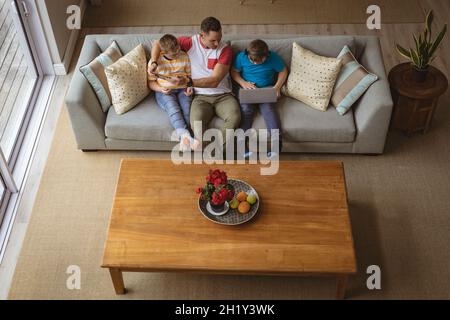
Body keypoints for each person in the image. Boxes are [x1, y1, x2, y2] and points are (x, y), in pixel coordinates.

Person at [149, 17, 241, 151]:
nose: (217, 43)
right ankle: (204, 150)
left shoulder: (225, 50)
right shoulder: (189, 43)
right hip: (200, 97)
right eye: (213, 40)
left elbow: (215, 81)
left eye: (219, 38)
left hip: (223, 95)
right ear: (202, 35)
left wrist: (187, 82)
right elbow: (157, 43)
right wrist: (154, 62)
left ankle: (214, 149)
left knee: (235, 116)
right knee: (196, 126)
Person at [231, 39, 288, 158]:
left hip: (266, 89)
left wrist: (277, 87)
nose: (256, 63)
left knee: (268, 109)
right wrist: (243, 83)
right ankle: (242, 145)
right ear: (248, 55)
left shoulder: (273, 58)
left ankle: (276, 144)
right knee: (246, 110)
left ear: (266, 55)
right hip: (248, 88)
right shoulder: (242, 57)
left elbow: (283, 71)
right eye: (253, 60)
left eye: (259, 61)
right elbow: (234, 71)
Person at [147, 34, 199, 151]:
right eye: (174, 54)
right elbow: (150, 83)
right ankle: (186, 137)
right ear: (163, 53)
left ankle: (185, 139)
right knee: (173, 108)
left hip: (182, 88)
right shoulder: (155, 62)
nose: (177, 54)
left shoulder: (184, 56)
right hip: (164, 91)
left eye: (178, 50)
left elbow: (190, 76)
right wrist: (160, 89)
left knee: (187, 109)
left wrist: (190, 86)